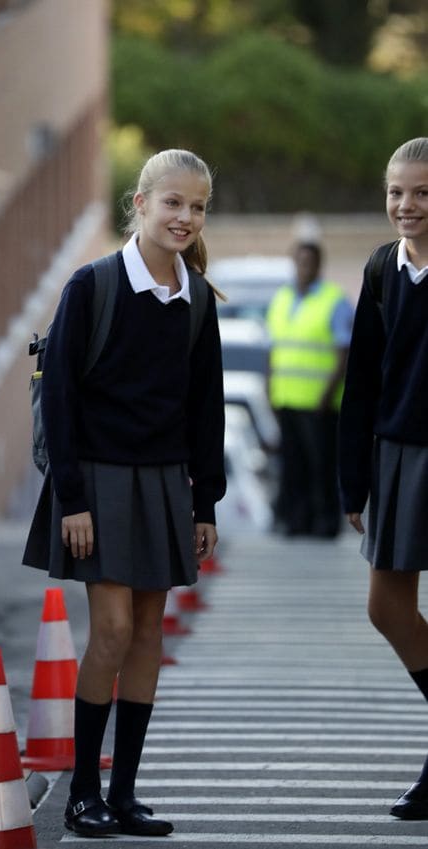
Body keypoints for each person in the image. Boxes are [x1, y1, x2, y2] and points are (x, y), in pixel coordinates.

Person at [24, 149, 225, 837]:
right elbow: (59, 398)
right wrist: (71, 498)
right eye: (172, 202)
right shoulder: (92, 285)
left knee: (146, 635)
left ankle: (126, 793)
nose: (185, 217)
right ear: (138, 203)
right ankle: (84, 791)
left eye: (196, 207)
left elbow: (207, 409)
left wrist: (205, 504)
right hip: (99, 484)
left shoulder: (196, 301)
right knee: (110, 630)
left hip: (167, 482)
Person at [339, 137, 428, 820]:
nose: (406, 204)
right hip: (395, 456)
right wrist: (352, 483)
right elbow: (360, 384)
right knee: (384, 606)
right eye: (396, 190)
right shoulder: (379, 269)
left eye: (421, 192)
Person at [266, 241, 353, 538]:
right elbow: (274, 348)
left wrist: (327, 394)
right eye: (299, 261)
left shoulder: (334, 300)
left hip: (321, 403)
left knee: (322, 467)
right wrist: (270, 388)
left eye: (309, 261)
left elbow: (344, 353)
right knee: (293, 466)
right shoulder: (282, 298)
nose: (304, 266)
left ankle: (325, 523)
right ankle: (296, 521)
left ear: (319, 264)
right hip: (287, 398)